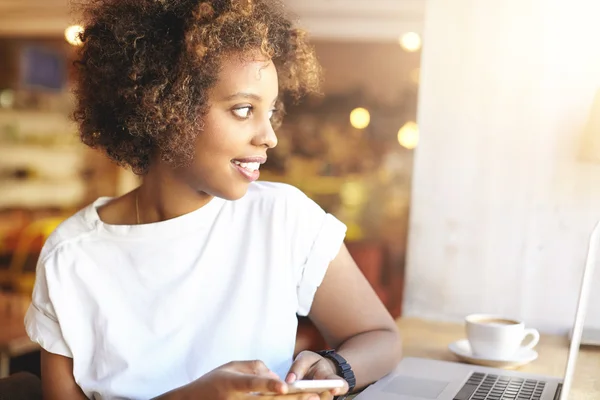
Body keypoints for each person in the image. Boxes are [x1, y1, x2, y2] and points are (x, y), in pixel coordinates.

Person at [23, 0, 403, 399]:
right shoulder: (72, 256)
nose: (269, 136)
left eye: (270, 111)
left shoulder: (284, 218)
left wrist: (335, 366)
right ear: (164, 108)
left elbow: (379, 337)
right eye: (243, 110)